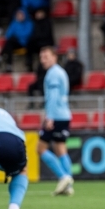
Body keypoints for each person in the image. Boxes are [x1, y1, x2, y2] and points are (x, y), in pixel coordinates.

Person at [37, 46, 74, 197]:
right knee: (61, 149)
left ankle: (63, 177)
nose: (43, 60)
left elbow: (52, 97)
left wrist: (49, 116)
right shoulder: (61, 72)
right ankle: (68, 185)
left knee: (40, 149)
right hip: (64, 115)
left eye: (46, 56)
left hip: (56, 116)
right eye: (41, 57)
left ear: (54, 57)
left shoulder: (52, 74)